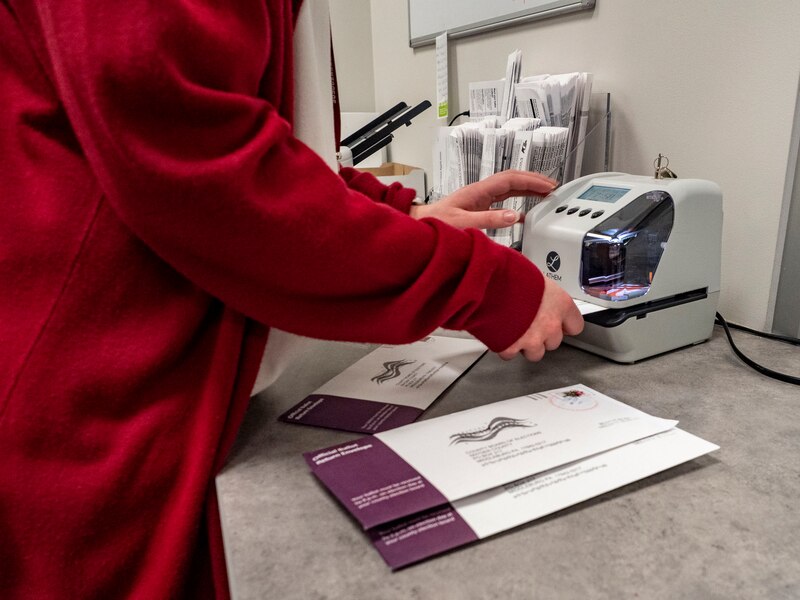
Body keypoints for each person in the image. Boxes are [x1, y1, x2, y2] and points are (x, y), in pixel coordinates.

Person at [0, 0, 583, 598]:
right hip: (92, 407)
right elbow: (205, 166)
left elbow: (268, 140)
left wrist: (403, 214)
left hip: (153, 382)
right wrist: (485, 284)